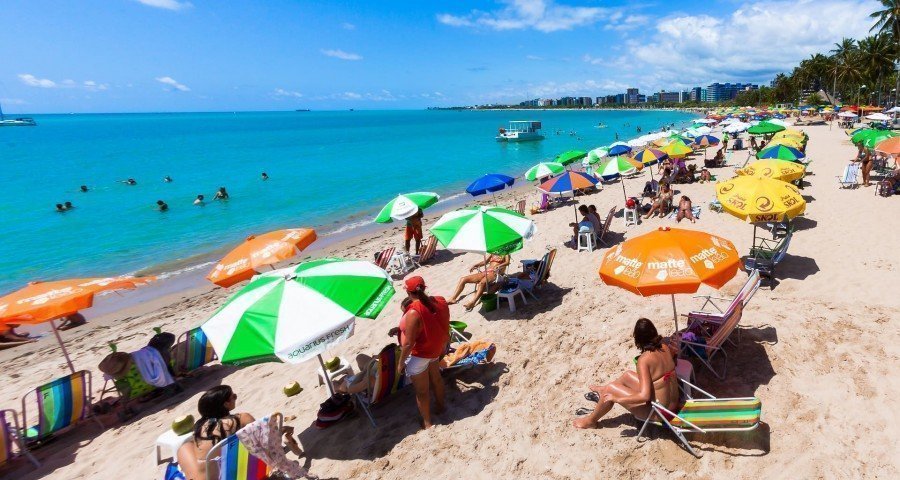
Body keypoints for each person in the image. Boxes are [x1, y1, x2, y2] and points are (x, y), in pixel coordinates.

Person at [573, 319, 679, 429]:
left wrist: (617, 399)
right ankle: (603, 390)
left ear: (638, 339)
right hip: (672, 406)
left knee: (610, 389)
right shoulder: (664, 347)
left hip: (660, 414)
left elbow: (645, 396)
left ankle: (591, 421)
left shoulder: (644, 360)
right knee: (627, 375)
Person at [396, 277, 450, 429]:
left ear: (408, 292)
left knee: (422, 391)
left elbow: (408, 344)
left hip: (421, 354)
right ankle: (441, 407)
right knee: (437, 379)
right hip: (436, 349)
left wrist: (400, 364)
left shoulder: (413, 312)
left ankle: (427, 423)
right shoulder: (440, 300)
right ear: (424, 288)